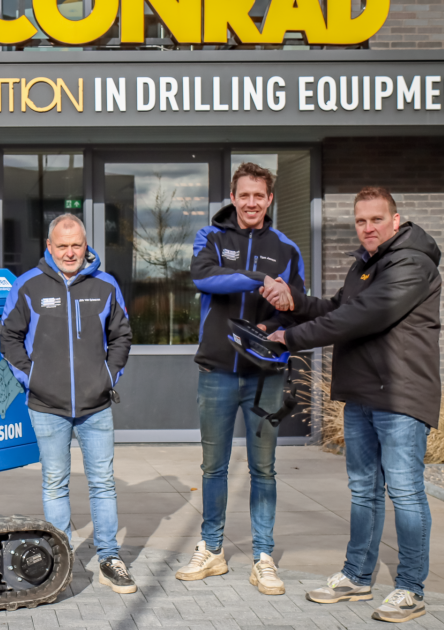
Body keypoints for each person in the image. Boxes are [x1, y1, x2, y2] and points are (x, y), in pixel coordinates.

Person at [265, 187, 440, 623]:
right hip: (362, 394)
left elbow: (360, 317)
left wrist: (291, 337)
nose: (368, 228)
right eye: (361, 221)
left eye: (376, 219)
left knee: (405, 492)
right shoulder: (365, 265)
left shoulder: (412, 264)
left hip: (400, 396)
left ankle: (410, 588)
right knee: (364, 491)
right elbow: (336, 307)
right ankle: (357, 576)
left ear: (395, 221)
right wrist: (295, 303)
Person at [176, 162, 306, 596]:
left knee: (263, 469)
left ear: (270, 199)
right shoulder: (211, 237)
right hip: (217, 371)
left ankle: (263, 557)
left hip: (265, 376)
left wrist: (273, 321)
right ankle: (211, 548)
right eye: (244, 195)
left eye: (259, 196)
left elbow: (297, 304)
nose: (251, 203)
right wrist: (260, 279)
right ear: (233, 198)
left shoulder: (286, 248)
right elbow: (204, 278)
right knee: (213, 466)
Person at [0, 213, 136, 594]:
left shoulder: (106, 285)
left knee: (103, 483)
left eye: (76, 245)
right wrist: (32, 379)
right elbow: (9, 336)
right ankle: (62, 561)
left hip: (96, 405)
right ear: (49, 246)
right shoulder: (28, 286)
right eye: (62, 246)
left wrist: (107, 377)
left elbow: (121, 336)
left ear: (86, 245)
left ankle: (109, 557)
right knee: (55, 483)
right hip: (46, 405)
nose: (70, 252)